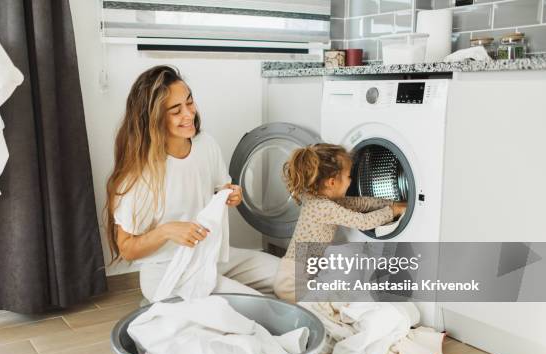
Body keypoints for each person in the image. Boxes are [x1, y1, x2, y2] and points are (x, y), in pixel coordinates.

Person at [104, 65, 278, 302]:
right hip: (167, 270)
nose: (189, 114)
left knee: (291, 273)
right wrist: (166, 231)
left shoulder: (205, 144)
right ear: (154, 119)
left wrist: (230, 193)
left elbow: (219, 187)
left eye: (189, 102)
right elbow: (126, 248)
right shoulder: (138, 175)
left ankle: (339, 305)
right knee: (259, 305)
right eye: (176, 110)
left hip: (212, 256)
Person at [273, 143, 406, 302]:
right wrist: (393, 211)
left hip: (293, 275)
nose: (351, 181)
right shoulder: (324, 207)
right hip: (292, 283)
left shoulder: (317, 198)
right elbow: (363, 222)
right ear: (331, 182)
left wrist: (391, 203)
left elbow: (359, 203)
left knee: (328, 301)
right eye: (349, 176)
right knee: (324, 309)